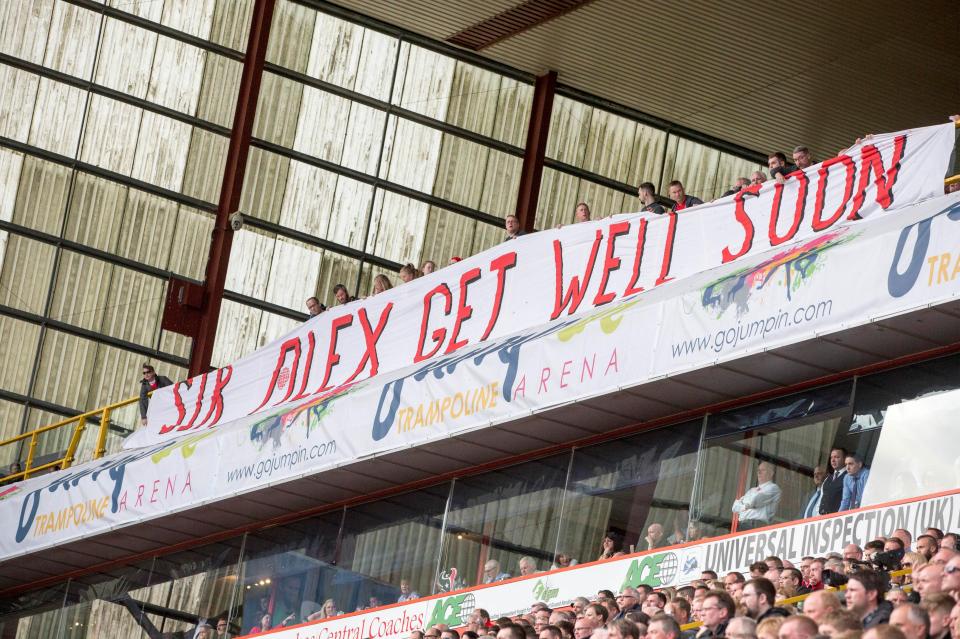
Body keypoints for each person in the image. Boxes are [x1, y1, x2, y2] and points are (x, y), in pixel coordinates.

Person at [732, 461, 781, 530]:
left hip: (757, 525)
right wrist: (747, 505)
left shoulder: (773, 488)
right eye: (758, 470)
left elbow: (756, 500)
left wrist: (744, 505)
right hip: (742, 524)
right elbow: (734, 507)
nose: (759, 472)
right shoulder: (751, 490)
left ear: (771, 473)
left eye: (763, 470)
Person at [820, 448, 847, 515]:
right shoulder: (827, 479)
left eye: (837, 457)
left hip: (838, 519)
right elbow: (822, 498)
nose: (833, 460)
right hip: (822, 518)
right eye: (831, 457)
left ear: (844, 459)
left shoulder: (849, 477)